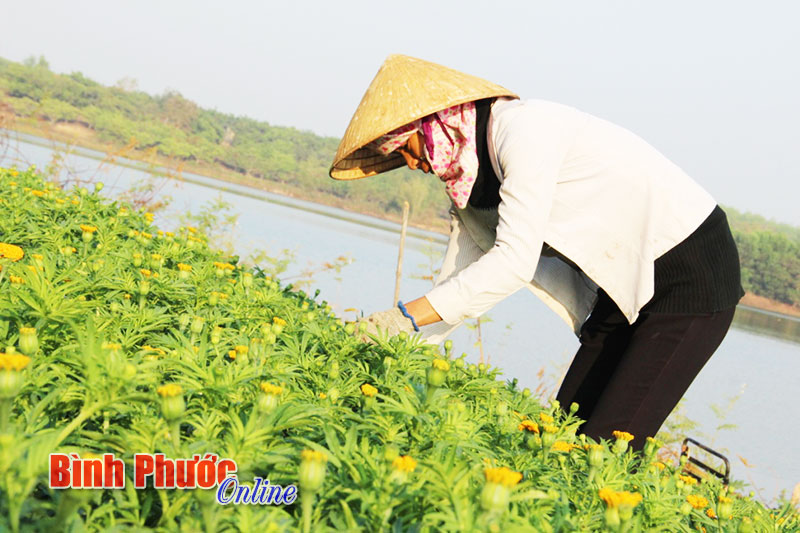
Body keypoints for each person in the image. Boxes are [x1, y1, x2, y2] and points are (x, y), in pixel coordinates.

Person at [329, 55, 743, 451]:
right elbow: (457, 287)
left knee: (609, 443)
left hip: (692, 273)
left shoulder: (524, 132)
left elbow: (512, 263)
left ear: (430, 124)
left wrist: (402, 317)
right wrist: (393, 342)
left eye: (405, 147)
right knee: (561, 430)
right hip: (622, 282)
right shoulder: (468, 182)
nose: (409, 162)